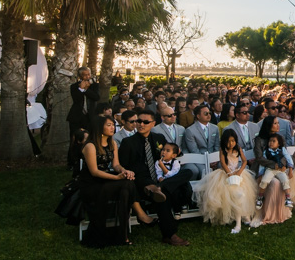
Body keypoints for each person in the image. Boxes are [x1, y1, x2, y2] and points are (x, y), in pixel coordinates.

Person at [118, 109, 191, 247]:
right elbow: (124, 166)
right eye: (138, 121)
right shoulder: (128, 142)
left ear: (153, 123)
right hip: (142, 182)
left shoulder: (159, 139)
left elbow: (169, 156)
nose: (141, 124)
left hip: (162, 178)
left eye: (145, 122)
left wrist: (175, 153)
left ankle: (161, 187)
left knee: (187, 172)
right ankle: (170, 235)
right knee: (162, 197)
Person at [78, 116, 137, 247]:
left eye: (113, 125)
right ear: (100, 128)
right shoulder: (90, 146)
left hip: (106, 181)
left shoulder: (112, 143)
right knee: (127, 184)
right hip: (91, 183)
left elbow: (116, 164)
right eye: (109, 125)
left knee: (126, 189)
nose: (113, 128)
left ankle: (122, 233)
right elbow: (94, 172)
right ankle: (134, 219)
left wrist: (124, 171)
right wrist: (116, 178)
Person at [195, 128, 258, 234]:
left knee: (242, 194)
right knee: (234, 194)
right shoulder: (223, 149)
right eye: (228, 141)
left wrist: (240, 171)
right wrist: (229, 173)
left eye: (233, 141)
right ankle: (238, 221)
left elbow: (244, 161)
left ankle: (245, 216)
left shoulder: (238, 148)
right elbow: (223, 163)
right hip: (225, 174)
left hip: (238, 173)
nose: (230, 143)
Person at [253, 117, 294, 209]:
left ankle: (283, 205)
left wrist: (283, 165)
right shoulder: (259, 139)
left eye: (278, 123)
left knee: (283, 180)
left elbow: (284, 154)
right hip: (264, 167)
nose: (278, 125)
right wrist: (273, 164)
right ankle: (264, 204)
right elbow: (259, 158)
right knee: (275, 182)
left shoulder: (280, 138)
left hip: (279, 168)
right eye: (275, 123)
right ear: (269, 125)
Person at [182, 105, 220, 180]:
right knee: (206, 172)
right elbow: (194, 150)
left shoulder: (215, 128)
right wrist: (207, 161)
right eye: (206, 113)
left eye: (209, 113)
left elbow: (217, 146)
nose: (209, 115)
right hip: (199, 159)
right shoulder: (190, 130)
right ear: (198, 116)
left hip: (214, 158)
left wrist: (214, 159)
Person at [67, 66, 100, 138]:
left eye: (89, 74)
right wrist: (81, 89)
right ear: (80, 76)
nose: (87, 76)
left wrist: (85, 90)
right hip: (77, 116)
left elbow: (96, 97)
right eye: (85, 75)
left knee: (90, 137)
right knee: (75, 137)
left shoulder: (94, 85)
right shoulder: (74, 86)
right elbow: (76, 99)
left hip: (90, 116)